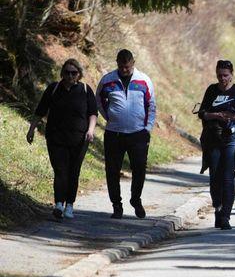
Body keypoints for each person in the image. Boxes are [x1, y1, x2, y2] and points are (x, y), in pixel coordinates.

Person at [27, 59, 98, 220]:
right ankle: (59, 204)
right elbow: (41, 110)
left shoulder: (85, 90)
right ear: (62, 73)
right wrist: (31, 129)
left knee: (74, 172)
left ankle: (69, 206)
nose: (70, 76)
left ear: (79, 74)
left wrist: (91, 130)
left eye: (74, 73)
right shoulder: (54, 89)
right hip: (55, 137)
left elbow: (93, 113)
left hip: (80, 139)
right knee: (60, 170)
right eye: (67, 72)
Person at [96, 49, 156, 219]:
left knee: (139, 169)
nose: (124, 70)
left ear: (133, 63)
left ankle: (136, 199)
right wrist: (109, 116)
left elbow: (151, 105)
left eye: (127, 67)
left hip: (138, 133)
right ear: (117, 63)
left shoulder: (144, 80)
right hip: (114, 133)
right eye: (121, 66)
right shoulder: (108, 80)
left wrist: (148, 127)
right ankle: (116, 205)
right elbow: (98, 100)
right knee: (112, 171)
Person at [198, 60, 235, 230]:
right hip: (213, 137)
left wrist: (232, 117)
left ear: (232, 74)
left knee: (228, 177)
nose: (222, 79)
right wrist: (216, 115)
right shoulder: (212, 90)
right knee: (215, 176)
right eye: (219, 75)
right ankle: (218, 208)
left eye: (225, 75)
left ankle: (225, 216)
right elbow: (202, 113)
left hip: (232, 138)